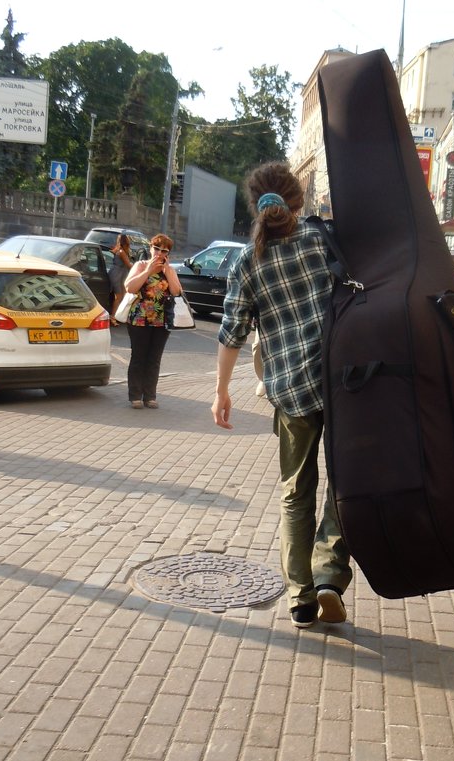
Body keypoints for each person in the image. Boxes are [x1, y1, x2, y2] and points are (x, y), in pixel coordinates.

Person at [211, 162, 352, 630]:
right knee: (346, 484)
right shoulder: (322, 240)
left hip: (291, 391)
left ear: (255, 207)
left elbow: (231, 335)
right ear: (299, 202)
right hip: (342, 383)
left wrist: (221, 392)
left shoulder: (246, 262)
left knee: (295, 494)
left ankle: (301, 598)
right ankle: (329, 574)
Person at [124, 233, 182, 409]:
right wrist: (148, 270)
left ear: (168, 253)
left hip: (161, 320)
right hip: (139, 319)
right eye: (156, 248)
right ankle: (135, 395)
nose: (159, 253)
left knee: (154, 358)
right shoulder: (140, 265)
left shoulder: (168, 270)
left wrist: (168, 272)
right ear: (150, 248)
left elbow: (176, 292)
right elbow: (129, 287)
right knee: (138, 357)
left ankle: (150, 395)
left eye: (164, 250)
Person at [108, 233, 133, 324]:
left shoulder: (118, 250)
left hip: (119, 274)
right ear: (126, 242)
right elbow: (128, 265)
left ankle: (118, 316)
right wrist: (139, 267)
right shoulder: (122, 252)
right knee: (118, 297)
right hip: (118, 275)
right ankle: (113, 317)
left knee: (123, 296)